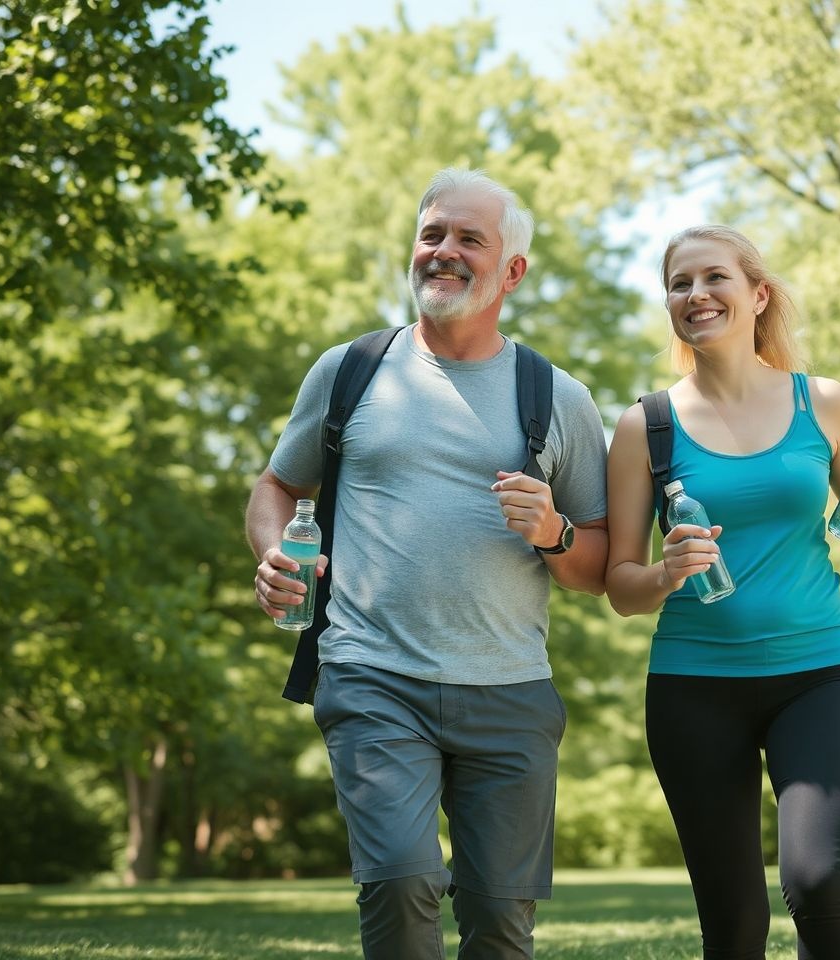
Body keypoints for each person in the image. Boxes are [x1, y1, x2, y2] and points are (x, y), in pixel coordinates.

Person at [245, 168, 609, 960]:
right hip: (371, 674)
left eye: (469, 239)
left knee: (499, 922)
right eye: (432, 234)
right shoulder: (351, 369)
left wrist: (553, 532)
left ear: (512, 271)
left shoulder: (559, 397)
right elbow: (276, 485)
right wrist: (275, 552)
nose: (443, 251)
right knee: (401, 883)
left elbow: (600, 566)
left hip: (510, 687)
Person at [604, 225, 840, 960]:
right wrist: (666, 572)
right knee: (735, 921)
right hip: (694, 686)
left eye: (715, 278)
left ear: (758, 294)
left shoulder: (824, 403)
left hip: (819, 672)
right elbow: (620, 586)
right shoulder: (647, 425)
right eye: (680, 283)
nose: (697, 294)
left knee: (816, 881)